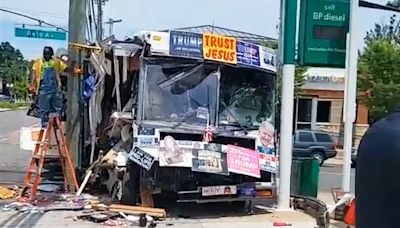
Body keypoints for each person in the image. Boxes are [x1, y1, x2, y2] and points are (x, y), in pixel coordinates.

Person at [29, 47, 67, 128]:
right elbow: (34, 73)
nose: (47, 55)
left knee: (57, 107)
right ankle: (45, 124)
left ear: (52, 54)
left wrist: (72, 68)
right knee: (44, 108)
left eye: (48, 54)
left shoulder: (56, 62)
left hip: (55, 88)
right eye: (45, 54)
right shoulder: (38, 62)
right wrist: (32, 84)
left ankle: (57, 122)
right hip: (43, 88)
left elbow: (65, 68)